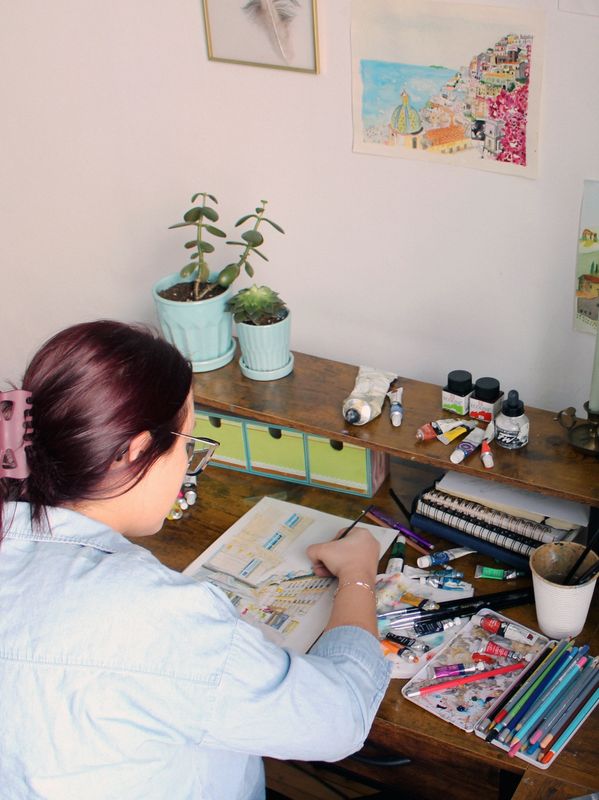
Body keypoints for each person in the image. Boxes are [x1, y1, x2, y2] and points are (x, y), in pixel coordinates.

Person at [0, 320, 391, 800]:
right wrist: (357, 574)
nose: (188, 465)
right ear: (137, 451)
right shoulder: (152, 617)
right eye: (189, 444)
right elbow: (340, 716)